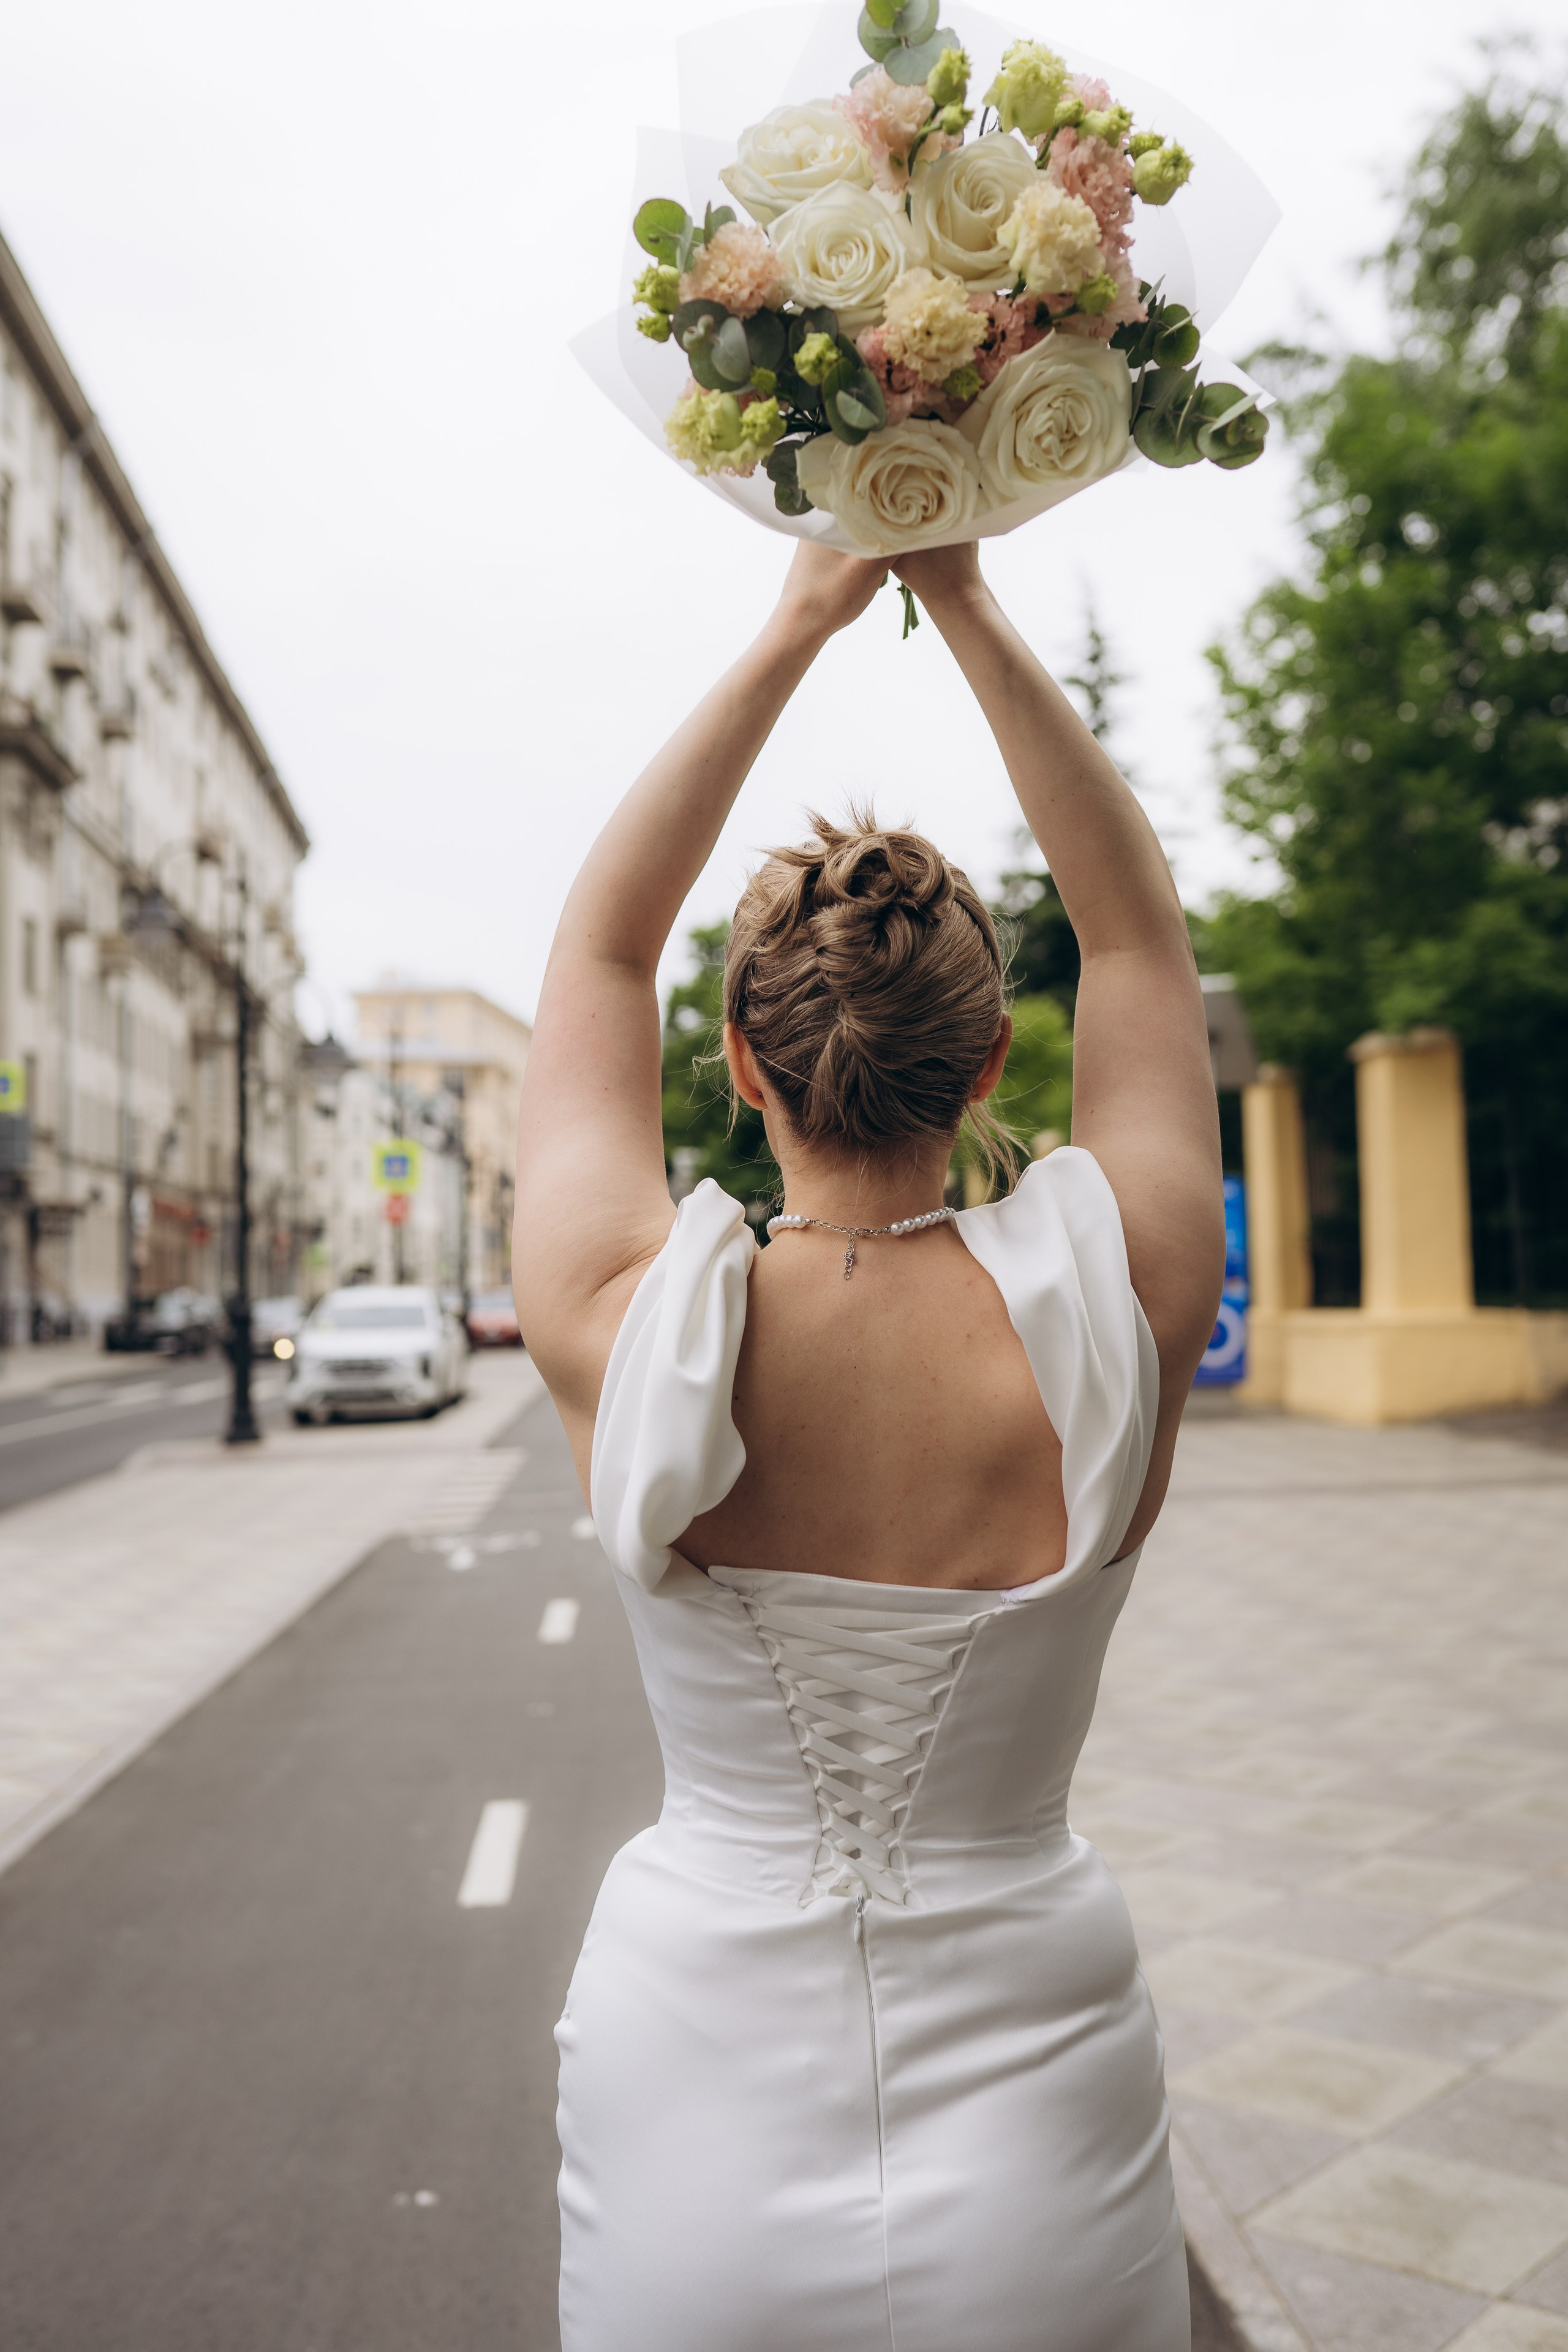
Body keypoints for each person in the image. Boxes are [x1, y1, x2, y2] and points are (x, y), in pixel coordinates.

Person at [513, 540, 1224, 2352]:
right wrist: (963, 589)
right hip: (1040, 2057)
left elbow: (601, 947)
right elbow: (1139, 935)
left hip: (693, 2064)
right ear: (992, 1067)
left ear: (743, 1070)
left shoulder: (623, 1318)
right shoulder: (1117, 1303)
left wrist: (806, 607)